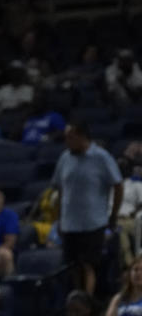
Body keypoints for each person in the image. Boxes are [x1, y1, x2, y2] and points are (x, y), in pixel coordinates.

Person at [53, 121, 123, 295]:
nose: (67, 141)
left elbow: (118, 185)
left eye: (71, 137)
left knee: (88, 264)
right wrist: (60, 218)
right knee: (73, 265)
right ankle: (76, 300)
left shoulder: (101, 157)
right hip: (70, 223)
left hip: (93, 222)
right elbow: (60, 188)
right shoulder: (64, 158)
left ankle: (87, 303)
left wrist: (113, 214)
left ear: (82, 137)